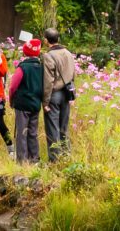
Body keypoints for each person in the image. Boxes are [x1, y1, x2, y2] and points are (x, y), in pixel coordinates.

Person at [41, 28, 76, 162]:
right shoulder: (68, 53)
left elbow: (48, 81)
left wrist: (45, 102)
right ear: (58, 39)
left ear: (45, 40)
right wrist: (74, 94)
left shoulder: (48, 56)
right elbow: (73, 74)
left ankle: (55, 160)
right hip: (67, 93)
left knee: (52, 128)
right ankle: (67, 157)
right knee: (63, 128)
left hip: (54, 94)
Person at [8, 38, 43, 164]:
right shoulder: (42, 67)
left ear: (25, 52)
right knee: (33, 132)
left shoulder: (22, 67)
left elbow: (13, 87)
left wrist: (11, 100)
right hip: (36, 104)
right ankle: (35, 159)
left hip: (22, 104)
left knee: (22, 132)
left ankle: (22, 160)